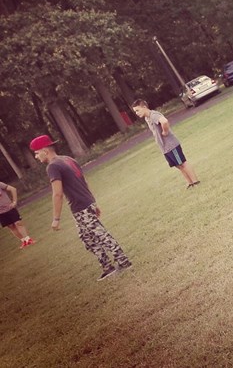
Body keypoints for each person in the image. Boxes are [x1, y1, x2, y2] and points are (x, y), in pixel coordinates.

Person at [30, 135, 131, 280]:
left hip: (81, 207)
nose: (36, 157)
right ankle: (107, 267)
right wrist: (93, 202)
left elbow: (57, 194)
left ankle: (123, 261)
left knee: (100, 234)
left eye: (36, 153)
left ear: (45, 151)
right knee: (87, 238)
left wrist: (56, 219)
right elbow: (84, 182)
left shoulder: (52, 166)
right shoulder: (67, 159)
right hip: (84, 205)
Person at [131, 99, 199, 188]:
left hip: (171, 145)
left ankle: (195, 181)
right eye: (135, 111)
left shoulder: (153, 115)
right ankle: (190, 183)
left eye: (137, 110)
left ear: (144, 107)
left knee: (182, 163)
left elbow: (164, 121)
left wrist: (165, 131)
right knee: (178, 165)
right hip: (165, 148)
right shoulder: (147, 118)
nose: (136, 113)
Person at [0, 180, 34, 249]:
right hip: (1, 213)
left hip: (10, 208)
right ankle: (24, 241)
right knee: (11, 226)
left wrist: (14, 201)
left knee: (18, 223)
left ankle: (28, 239)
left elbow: (13, 189)